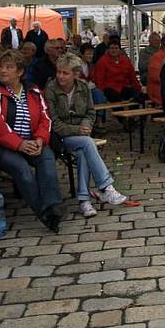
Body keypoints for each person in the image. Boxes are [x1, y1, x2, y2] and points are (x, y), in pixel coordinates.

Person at [0, 50, 65, 233]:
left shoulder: (33, 91)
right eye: (1, 67)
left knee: (47, 159)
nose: (2, 71)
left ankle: (53, 206)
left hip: (32, 141)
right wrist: (19, 144)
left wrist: (40, 140)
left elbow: (45, 118)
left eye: (9, 67)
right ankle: (44, 213)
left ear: (19, 72)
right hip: (2, 146)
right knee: (22, 170)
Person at [45, 53, 127, 217]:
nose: (61, 76)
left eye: (65, 73)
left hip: (81, 135)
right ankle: (105, 186)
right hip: (59, 136)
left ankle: (84, 201)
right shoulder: (51, 90)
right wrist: (77, 130)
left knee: (83, 151)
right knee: (88, 143)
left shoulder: (83, 87)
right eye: (59, 72)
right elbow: (53, 122)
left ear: (76, 74)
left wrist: (86, 125)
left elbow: (90, 112)